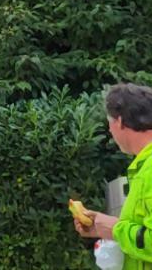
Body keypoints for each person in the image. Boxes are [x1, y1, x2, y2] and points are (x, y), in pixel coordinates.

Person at [79, 83, 152, 268]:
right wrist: (104, 227)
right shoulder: (144, 166)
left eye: (109, 123)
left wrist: (116, 229)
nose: (110, 131)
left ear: (118, 121)